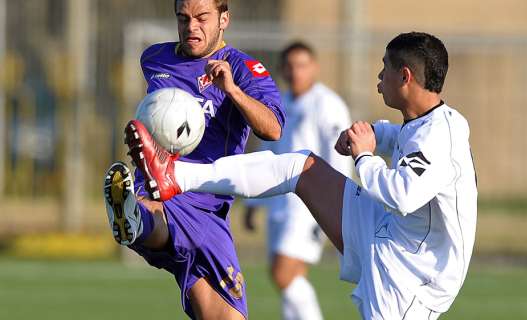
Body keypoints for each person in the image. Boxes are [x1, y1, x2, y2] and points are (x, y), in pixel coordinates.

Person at [122, 32, 477, 319]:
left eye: (384, 69)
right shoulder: (431, 123)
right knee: (301, 166)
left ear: (405, 76)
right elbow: (404, 140)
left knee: (287, 270)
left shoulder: (438, 135)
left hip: (413, 273)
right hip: (389, 233)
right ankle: (175, 175)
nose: (378, 77)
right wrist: (373, 134)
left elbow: (403, 195)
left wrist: (365, 154)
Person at [103, 0, 285, 319]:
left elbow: (273, 129)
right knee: (158, 210)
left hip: (208, 202)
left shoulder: (241, 68)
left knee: (225, 317)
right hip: (161, 182)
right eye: (183, 18)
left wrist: (233, 91)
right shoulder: (155, 58)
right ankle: (136, 216)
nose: (191, 27)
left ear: (223, 19)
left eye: (202, 18)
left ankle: (137, 219)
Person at [243, 41, 352, 320]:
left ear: (314, 67)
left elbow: (339, 156)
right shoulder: (280, 102)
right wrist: (252, 202)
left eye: (302, 65)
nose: (296, 72)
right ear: (282, 69)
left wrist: (335, 205)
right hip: (279, 202)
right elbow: (266, 151)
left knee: (284, 271)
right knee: (287, 275)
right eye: (290, 66)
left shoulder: (327, 104)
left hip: (310, 204)